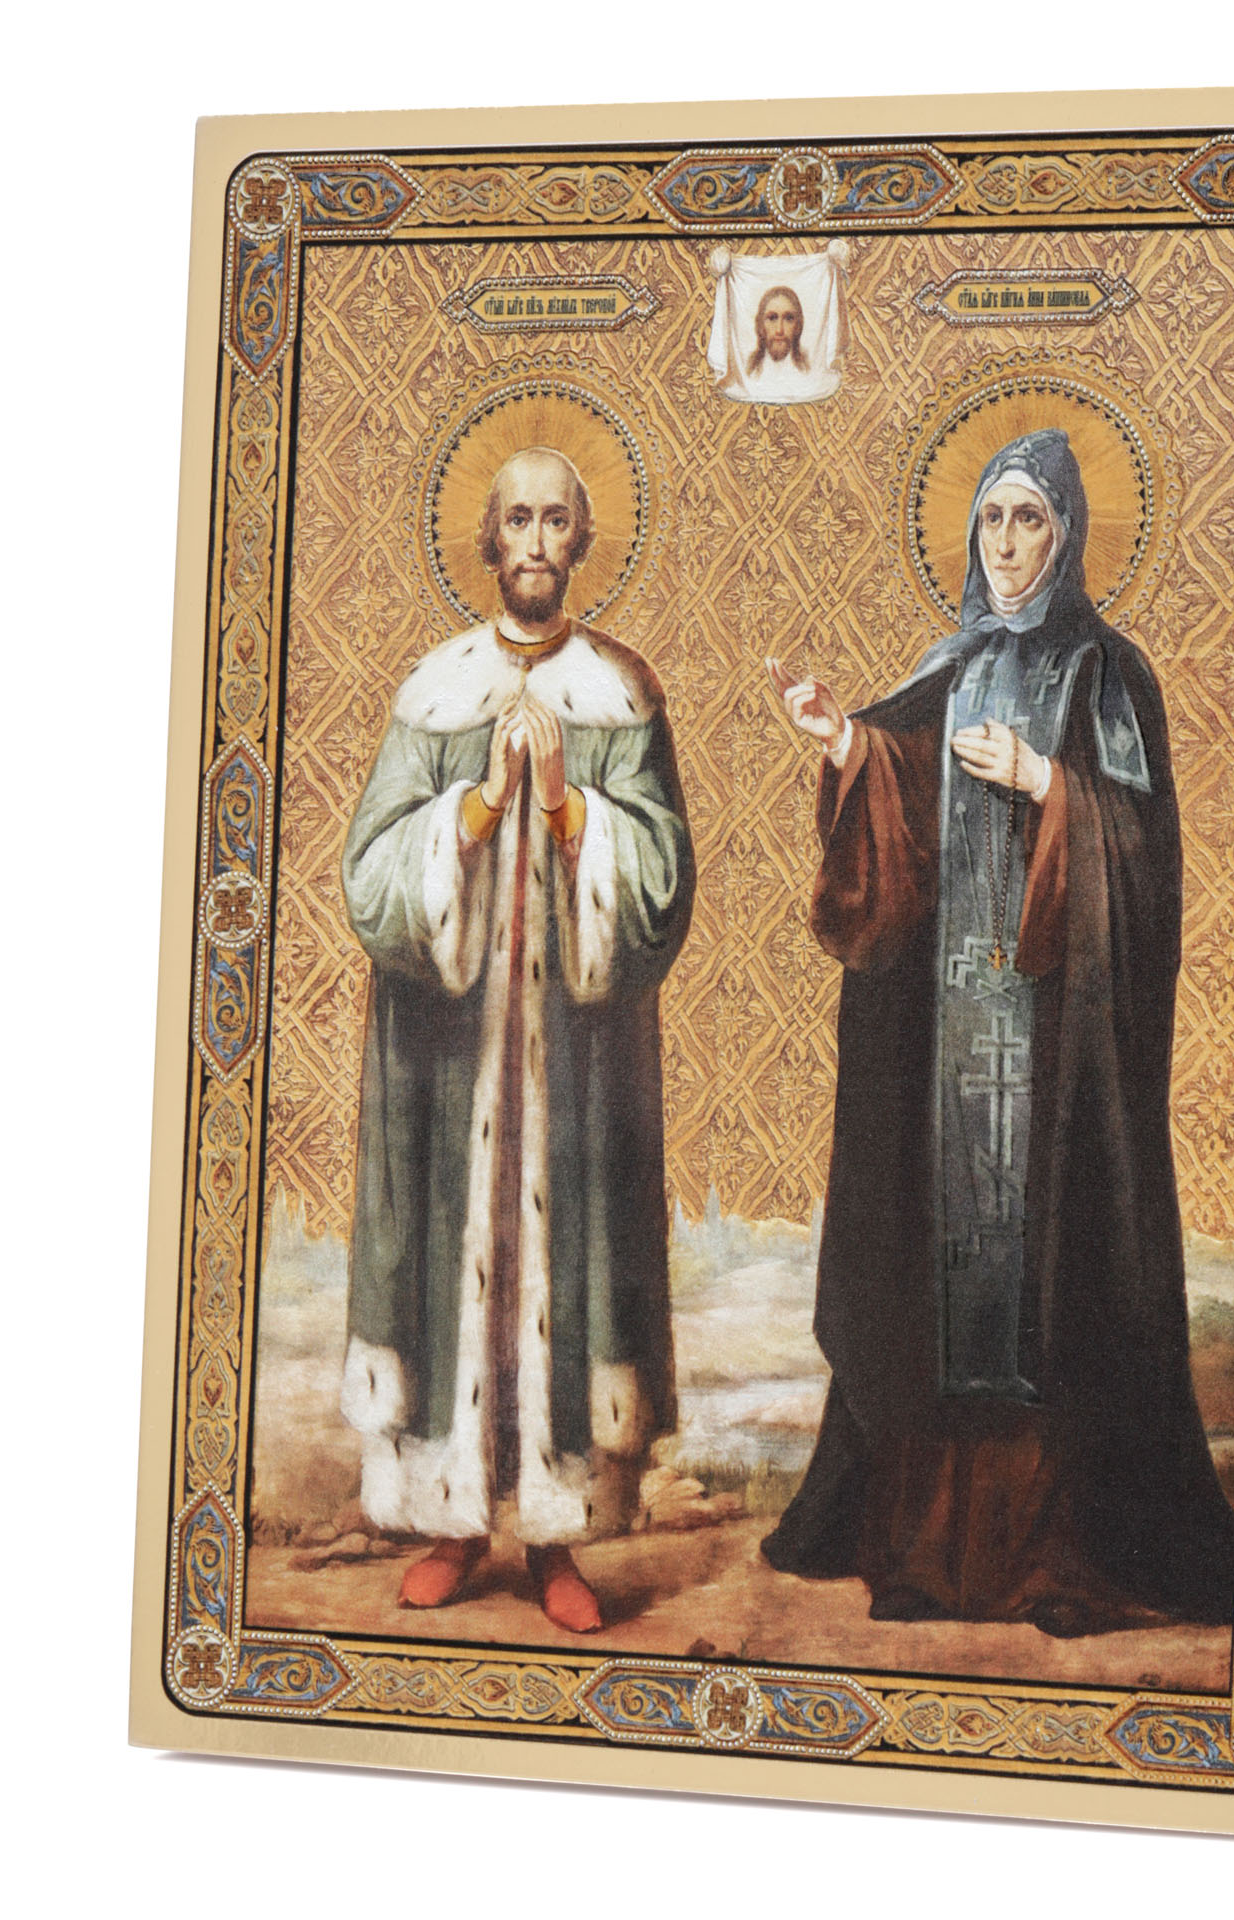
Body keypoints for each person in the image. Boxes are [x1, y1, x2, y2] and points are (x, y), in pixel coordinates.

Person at [762, 428, 1234, 1636]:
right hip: (947, 1055)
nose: (1009, 544)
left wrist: (1045, 784)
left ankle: (1063, 1561)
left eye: (1030, 519)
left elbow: (1143, 857)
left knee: (1053, 1287)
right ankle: (929, 1557)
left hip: (1056, 1057)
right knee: (935, 1277)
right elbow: (902, 790)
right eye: (992, 520)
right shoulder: (953, 665)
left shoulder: (1105, 674)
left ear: (1067, 533)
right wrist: (845, 743)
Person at [339, 447, 695, 1629]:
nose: (536, 541)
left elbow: (663, 885)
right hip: (448, 1057)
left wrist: (567, 803)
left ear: (579, 542)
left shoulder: (619, 693)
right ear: (489, 540)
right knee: (450, 1261)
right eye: (518, 520)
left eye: (556, 520)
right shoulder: (436, 692)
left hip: (576, 1059)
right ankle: (452, 1522)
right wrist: (481, 805)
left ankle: (556, 1541)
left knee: (571, 1262)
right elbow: (370, 875)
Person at [748, 285, 809, 378]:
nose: (779, 330)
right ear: (760, 324)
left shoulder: (807, 367)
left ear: (798, 326)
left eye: (788, 319)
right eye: (772, 318)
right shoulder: (750, 369)